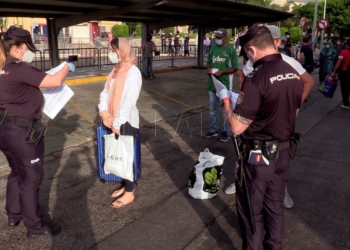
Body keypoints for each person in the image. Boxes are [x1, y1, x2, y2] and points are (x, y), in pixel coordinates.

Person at [221, 23, 303, 249]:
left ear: (252, 51)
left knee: (251, 211)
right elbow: (294, 110)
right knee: (275, 206)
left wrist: (227, 104)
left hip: (258, 158)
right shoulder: (292, 73)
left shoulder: (257, 79)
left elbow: (237, 127)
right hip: (283, 152)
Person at [224, 25, 314, 209]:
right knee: (250, 156)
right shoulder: (252, 62)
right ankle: (243, 181)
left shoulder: (288, 62)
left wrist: (293, 107)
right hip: (253, 120)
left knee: (275, 161)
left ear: (277, 42)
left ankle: (283, 192)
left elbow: (308, 82)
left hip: (275, 124)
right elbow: (245, 87)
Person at [0, 26, 75, 237]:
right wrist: (67, 66)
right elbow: (55, 81)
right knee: (31, 179)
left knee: (17, 173)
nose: (28, 51)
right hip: (23, 133)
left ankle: (14, 215)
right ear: (16, 48)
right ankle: (35, 226)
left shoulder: (2, 67)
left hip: (5, 131)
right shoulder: (17, 67)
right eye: (26, 47)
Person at [98, 37, 142, 208]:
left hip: (126, 121)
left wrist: (117, 123)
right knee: (121, 155)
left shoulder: (133, 72)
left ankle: (130, 193)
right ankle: (125, 185)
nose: (112, 54)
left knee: (127, 156)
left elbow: (129, 101)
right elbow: (105, 93)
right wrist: (103, 112)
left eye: (114, 51)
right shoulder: (116, 70)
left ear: (123, 51)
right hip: (112, 118)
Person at [204, 28, 238, 142]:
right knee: (212, 110)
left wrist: (222, 72)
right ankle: (213, 130)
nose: (217, 39)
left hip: (224, 85)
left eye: (220, 37)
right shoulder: (213, 48)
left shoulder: (231, 50)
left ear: (225, 37)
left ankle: (226, 131)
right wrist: (209, 70)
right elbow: (208, 63)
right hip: (212, 84)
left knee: (226, 109)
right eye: (216, 37)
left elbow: (235, 68)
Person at [331, 39, 350, 109]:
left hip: (345, 72)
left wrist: (334, 72)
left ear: (347, 45)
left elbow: (339, 62)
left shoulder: (344, 52)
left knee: (345, 88)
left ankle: (346, 103)